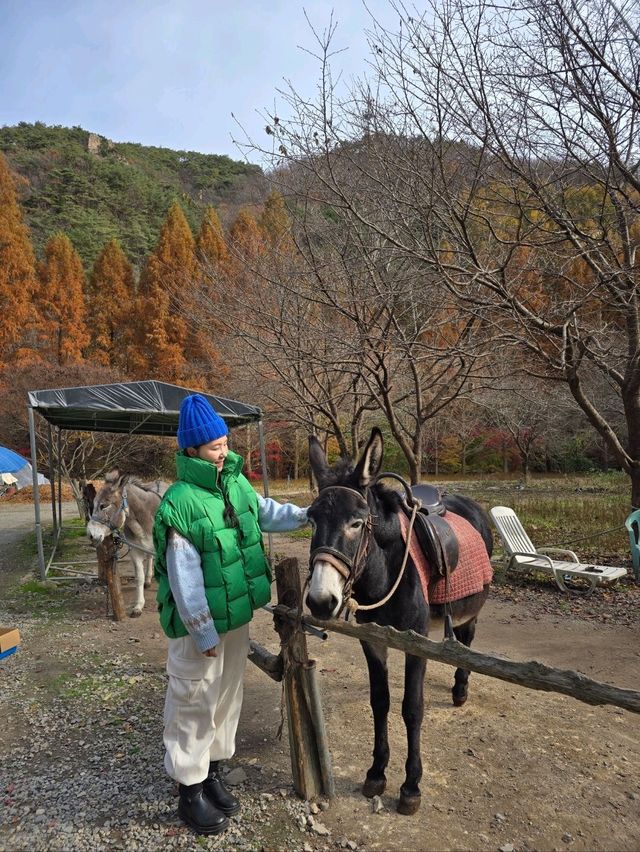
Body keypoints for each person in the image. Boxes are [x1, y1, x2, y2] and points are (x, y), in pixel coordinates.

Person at [153, 394, 308, 836]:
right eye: (214, 446)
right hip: (198, 628)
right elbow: (184, 579)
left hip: (235, 617)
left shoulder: (235, 483)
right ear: (191, 451)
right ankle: (189, 790)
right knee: (192, 700)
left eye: (224, 442)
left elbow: (264, 513)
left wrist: (307, 515)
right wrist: (202, 632)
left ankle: (213, 772)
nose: (223, 451)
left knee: (226, 696)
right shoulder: (179, 502)